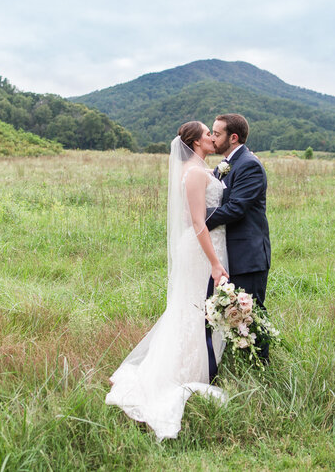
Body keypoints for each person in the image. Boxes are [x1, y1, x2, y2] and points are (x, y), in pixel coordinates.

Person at [105, 121, 229, 441]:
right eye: (207, 134)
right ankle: (182, 374)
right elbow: (199, 223)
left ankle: (198, 367)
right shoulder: (196, 172)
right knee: (191, 308)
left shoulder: (201, 168)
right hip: (202, 250)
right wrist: (215, 263)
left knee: (196, 308)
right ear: (194, 142)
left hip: (206, 247)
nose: (212, 138)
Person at [206, 113, 271, 362]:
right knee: (234, 313)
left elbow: (236, 208)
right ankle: (239, 362)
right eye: (211, 133)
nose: (212, 137)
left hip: (248, 254)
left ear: (233, 138)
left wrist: (199, 220)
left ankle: (260, 368)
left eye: (217, 133)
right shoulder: (224, 165)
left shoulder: (249, 165)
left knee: (251, 313)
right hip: (229, 251)